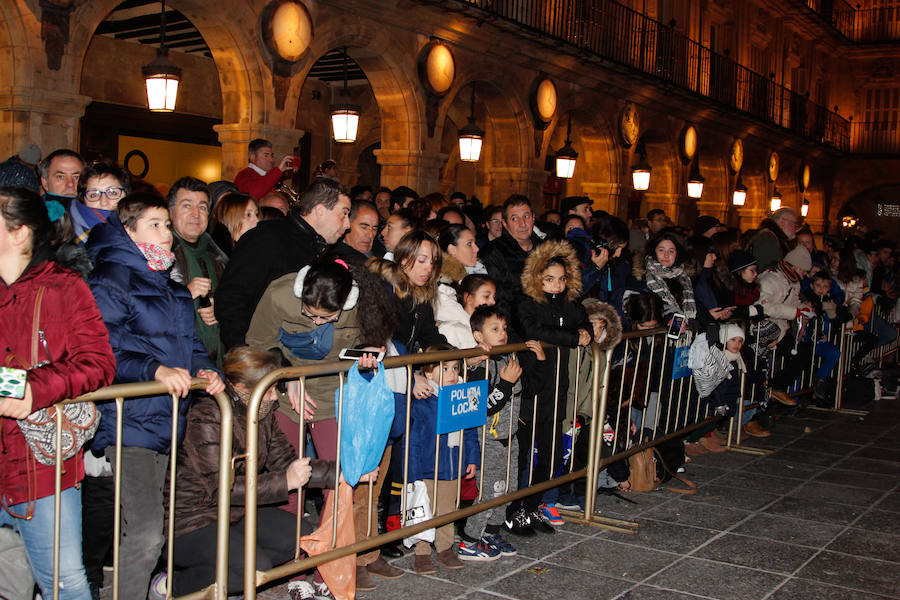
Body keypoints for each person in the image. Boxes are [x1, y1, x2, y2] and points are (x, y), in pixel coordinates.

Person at [86, 193, 224, 600]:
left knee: (151, 531)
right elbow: (104, 346)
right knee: (146, 534)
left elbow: (190, 347)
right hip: (131, 419)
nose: (166, 233)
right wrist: (154, 370)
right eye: (155, 225)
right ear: (128, 232)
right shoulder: (111, 277)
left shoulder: (169, 282)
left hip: (167, 419)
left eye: (166, 224)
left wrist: (208, 372)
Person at [244, 258, 401, 589]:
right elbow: (257, 342)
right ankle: (293, 570)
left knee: (340, 481)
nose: (315, 321)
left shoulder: (363, 307)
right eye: (309, 314)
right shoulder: (280, 295)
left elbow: (373, 340)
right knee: (289, 478)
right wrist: (286, 374)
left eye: (326, 317)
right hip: (287, 393)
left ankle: (324, 570)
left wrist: (369, 354)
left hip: (333, 394)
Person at [168, 346, 371, 598]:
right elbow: (222, 489)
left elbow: (287, 461)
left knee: (298, 536)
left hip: (236, 513)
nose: (276, 397)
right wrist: (284, 482)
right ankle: (172, 586)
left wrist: (343, 473)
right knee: (256, 567)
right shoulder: (207, 415)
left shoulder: (260, 413)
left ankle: (232, 569)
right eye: (270, 390)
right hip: (193, 521)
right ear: (243, 388)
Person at [0, 186, 116, 600]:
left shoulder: (64, 287)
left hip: (40, 469)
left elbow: (100, 362)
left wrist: (35, 388)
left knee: (65, 585)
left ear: (19, 233)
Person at [215, 178, 351, 349]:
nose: (347, 224)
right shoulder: (266, 238)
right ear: (320, 211)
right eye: (343, 213)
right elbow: (231, 299)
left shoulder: (328, 251)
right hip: (265, 359)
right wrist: (247, 354)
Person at [515, 240, 592, 532]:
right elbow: (532, 329)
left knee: (550, 454)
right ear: (536, 278)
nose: (556, 285)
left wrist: (584, 332)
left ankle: (533, 507)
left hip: (559, 388)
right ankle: (515, 509)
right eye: (549, 279)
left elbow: (584, 324)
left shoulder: (571, 303)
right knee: (524, 454)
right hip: (534, 388)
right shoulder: (527, 302)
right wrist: (572, 337)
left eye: (561, 278)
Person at [408, 346, 481, 574]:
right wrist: (413, 472)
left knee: (447, 509)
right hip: (427, 468)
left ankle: (444, 547)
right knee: (423, 509)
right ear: (428, 374)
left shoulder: (462, 396)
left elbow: (470, 430)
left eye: (455, 368)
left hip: (451, 466)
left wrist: (471, 458)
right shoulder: (422, 402)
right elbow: (414, 441)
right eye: (445, 368)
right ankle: (422, 551)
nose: (452, 373)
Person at [167, 177, 228, 364]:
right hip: (177, 362)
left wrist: (221, 308)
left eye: (202, 207)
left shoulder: (218, 255)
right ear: (170, 211)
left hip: (216, 360)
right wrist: (185, 294)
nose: (196, 214)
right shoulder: (160, 253)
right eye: (187, 206)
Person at [367, 230, 448, 352]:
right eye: (422, 260)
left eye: (433, 262)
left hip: (401, 366)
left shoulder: (422, 296)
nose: (429, 268)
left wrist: (464, 358)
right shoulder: (383, 289)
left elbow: (431, 339)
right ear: (403, 259)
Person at [757, 246, 815, 407]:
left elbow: (792, 302)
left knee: (803, 353)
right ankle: (756, 410)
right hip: (765, 330)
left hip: (781, 330)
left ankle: (776, 388)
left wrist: (804, 308)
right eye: (804, 270)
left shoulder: (792, 281)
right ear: (795, 266)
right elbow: (764, 307)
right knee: (760, 372)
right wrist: (795, 311)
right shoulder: (770, 280)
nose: (805, 274)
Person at [480, 195, 543, 334]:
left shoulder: (547, 249)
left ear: (533, 217)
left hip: (547, 325)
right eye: (515, 218)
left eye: (526, 216)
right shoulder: (493, 252)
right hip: (514, 329)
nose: (522, 224)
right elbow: (499, 298)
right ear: (505, 223)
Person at [636, 232, 698, 323]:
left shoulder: (684, 277)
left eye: (671, 251)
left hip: (683, 330)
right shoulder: (643, 277)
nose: (666, 255)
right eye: (661, 250)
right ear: (653, 251)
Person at [69, 162, 130, 246]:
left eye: (112, 193)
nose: (104, 202)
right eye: (94, 195)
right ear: (83, 199)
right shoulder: (65, 236)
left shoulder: (144, 229)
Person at [331, 199, 380, 265]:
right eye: (364, 227)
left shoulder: (381, 253)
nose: (370, 235)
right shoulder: (333, 258)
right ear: (347, 224)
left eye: (374, 229)